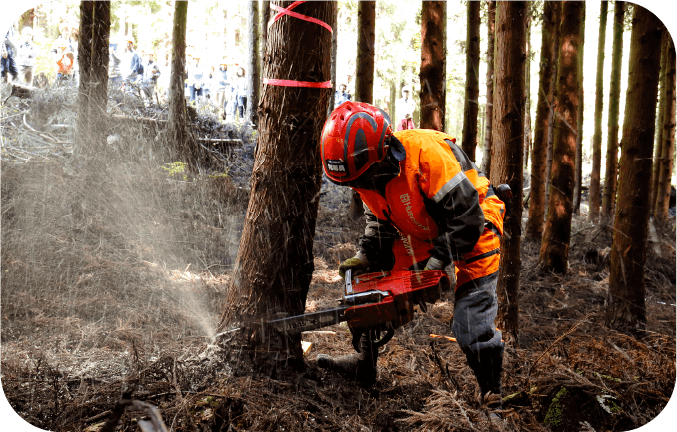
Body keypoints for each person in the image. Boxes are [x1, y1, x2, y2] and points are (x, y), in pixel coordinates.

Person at [317, 102, 506, 417]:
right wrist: (366, 255)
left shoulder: (427, 157)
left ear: (384, 153)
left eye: (364, 179)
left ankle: (493, 399)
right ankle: (364, 365)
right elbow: (380, 220)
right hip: (422, 231)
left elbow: (466, 219)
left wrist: (436, 267)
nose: (361, 187)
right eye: (355, 183)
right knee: (369, 292)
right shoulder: (365, 175)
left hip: (473, 222)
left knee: (470, 322)